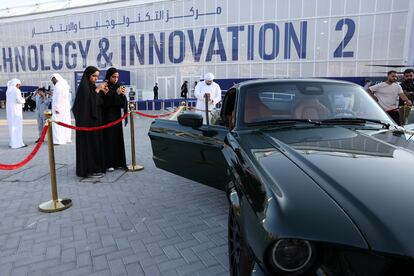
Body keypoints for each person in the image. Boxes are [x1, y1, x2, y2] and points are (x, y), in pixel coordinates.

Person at [72, 66, 109, 178]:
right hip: (87, 124)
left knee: (95, 146)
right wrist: (98, 90)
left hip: (94, 123)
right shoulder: (84, 87)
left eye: (97, 76)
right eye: (93, 76)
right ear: (88, 75)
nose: (95, 78)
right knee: (89, 147)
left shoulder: (91, 86)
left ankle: (95, 167)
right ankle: (90, 170)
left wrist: (102, 92)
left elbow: (96, 102)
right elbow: (86, 105)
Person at [102, 67, 127, 171]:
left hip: (116, 117)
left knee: (117, 139)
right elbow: (106, 103)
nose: (115, 79)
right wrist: (116, 94)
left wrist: (122, 95)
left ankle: (118, 162)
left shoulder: (117, 86)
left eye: (117, 77)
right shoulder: (105, 86)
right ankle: (109, 163)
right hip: (107, 117)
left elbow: (121, 103)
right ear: (109, 76)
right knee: (109, 140)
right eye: (113, 77)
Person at [51, 73, 72, 145]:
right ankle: (65, 138)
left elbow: (58, 98)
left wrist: (57, 108)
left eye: (53, 80)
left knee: (57, 124)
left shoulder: (58, 86)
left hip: (58, 109)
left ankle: (58, 140)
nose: (52, 81)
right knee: (64, 123)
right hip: (64, 109)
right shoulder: (63, 86)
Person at [6, 79, 27, 149]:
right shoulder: (16, 90)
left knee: (11, 127)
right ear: (16, 84)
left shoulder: (8, 91)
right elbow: (19, 100)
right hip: (16, 112)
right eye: (19, 84)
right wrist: (24, 99)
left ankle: (12, 143)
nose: (20, 86)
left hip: (10, 112)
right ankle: (18, 144)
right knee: (17, 127)